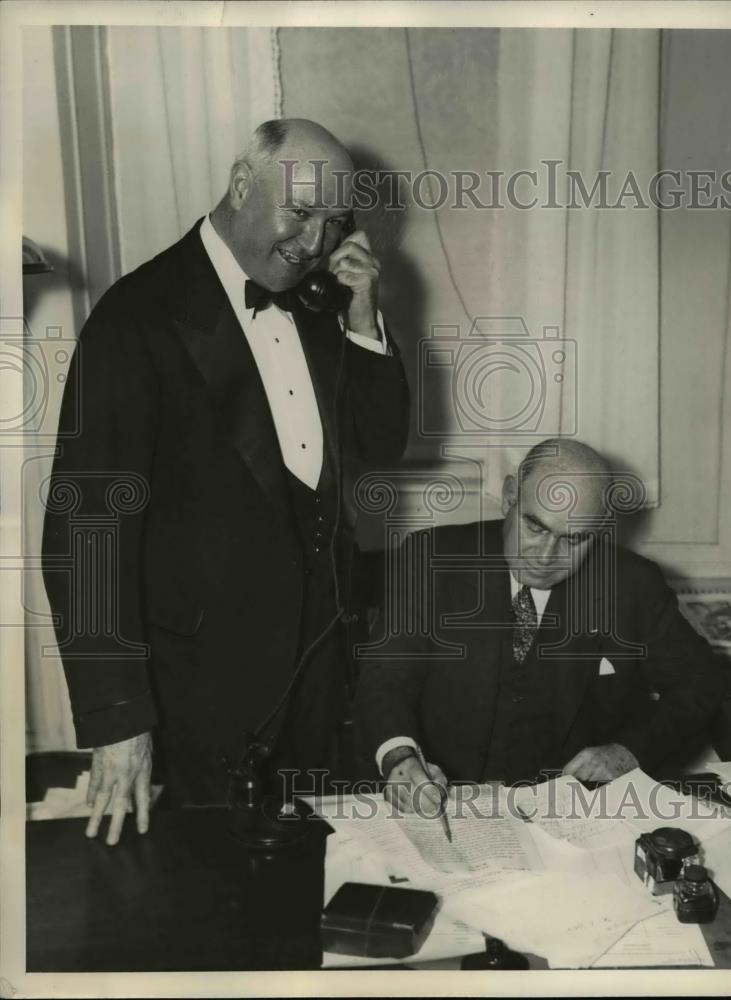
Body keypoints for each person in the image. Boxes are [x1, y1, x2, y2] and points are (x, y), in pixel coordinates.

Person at [42, 119, 409, 842]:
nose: (312, 243)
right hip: (194, 693)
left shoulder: (319, 299)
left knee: (304, 884)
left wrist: (364, 317)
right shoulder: (136, 317)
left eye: (333, 223)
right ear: (243, 185)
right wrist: (119, 720)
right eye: (298, 214)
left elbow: (378, 446)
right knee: (204, 905)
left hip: (314, 677)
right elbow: (86, 531)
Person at [354, 439, 725, 812]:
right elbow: (386, 677)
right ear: (510, 496)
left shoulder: (632, 585)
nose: (546, 557)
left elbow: (701, 683)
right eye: (535, 526)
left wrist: (628, 751)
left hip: (569, 817)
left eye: (574, 538)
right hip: (445, 803)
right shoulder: (429, 559)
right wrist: (400, 758)